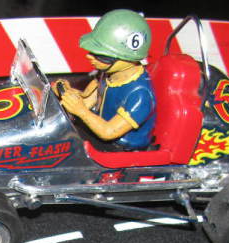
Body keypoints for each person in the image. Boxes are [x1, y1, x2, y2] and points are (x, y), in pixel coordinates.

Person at [53, 9, 156, 151]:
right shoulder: (108, 75)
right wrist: (68, 95)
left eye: (101, 56)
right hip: (97, 133)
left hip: (121, 149)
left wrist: (81, 111)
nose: (89, 57)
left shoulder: (140, 95)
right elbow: (87, 102)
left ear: (126, 58)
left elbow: (109, 132)